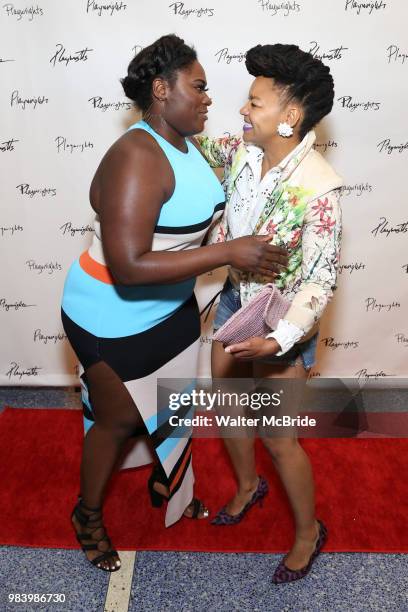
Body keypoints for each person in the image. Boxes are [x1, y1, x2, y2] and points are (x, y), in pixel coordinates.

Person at [61, 35, 287, 572]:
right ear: (161, 90)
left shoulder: (187, 144)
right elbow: (129, 265)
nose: (209, 98)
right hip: (111, 315)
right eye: (199, 86)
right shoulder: (137, 155)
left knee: (172, 406)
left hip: (170, 307)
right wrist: (230, 254)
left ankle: (171, 486)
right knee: (117, 421)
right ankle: (86, 515)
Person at [198, 43, 343, 583]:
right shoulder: (243, 150)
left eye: (254, 103)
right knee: (230, 410)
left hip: (283, 322)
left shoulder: (321, 188)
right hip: (236, 304)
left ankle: (308, 532)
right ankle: (244, 487)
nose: (242, 110)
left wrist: (281, 339)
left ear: (290, 116)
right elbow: (194, 144)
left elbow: (320, 279)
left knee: (280, 439)